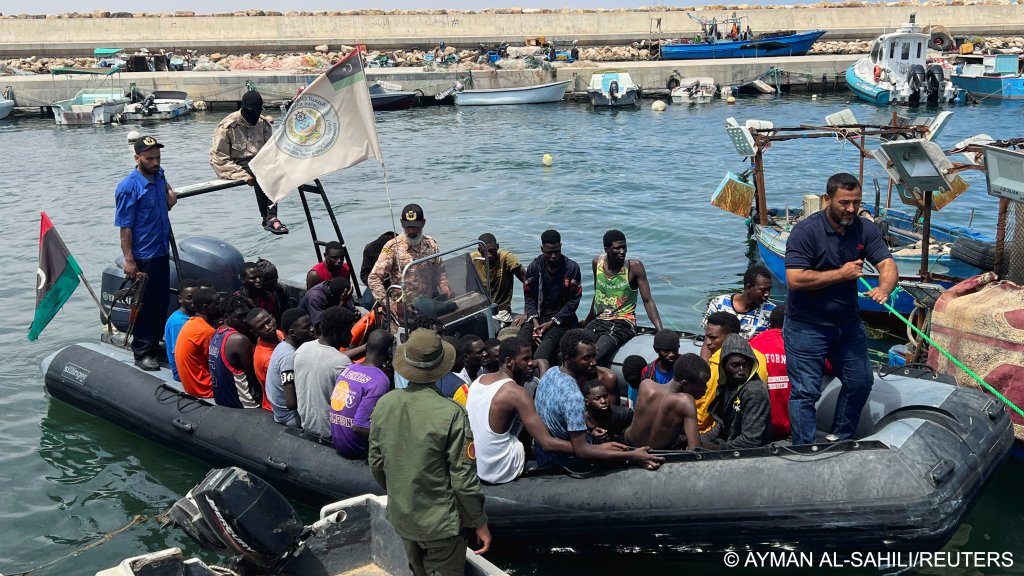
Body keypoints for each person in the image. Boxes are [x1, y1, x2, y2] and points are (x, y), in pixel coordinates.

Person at [368, 328, 491, 575]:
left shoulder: (385, 403)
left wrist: (404, 495)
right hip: (441, 525)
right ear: (442, 366)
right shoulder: (452, 413)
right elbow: (463, 481)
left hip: (403, 516)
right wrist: (479, 522)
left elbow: (377, 464)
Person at [785, 173, 896, 444]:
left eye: (856, 203)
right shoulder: (805, 231)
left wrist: (884, 288)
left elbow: (887, 264)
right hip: (806, 326)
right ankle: (804, 447)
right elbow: (795, 278)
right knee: (805, 392)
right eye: (844, 203)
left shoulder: (864, 228)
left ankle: (841, 436)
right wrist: (841, 274)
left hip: (847, 324)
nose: (851, 209)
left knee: (860, 382)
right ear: (827, 199)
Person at [533, 329, 663, 470]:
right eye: (586, 358)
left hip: (544, 455)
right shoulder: (573, 396)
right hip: (567, 463)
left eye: (594, 356)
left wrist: (589, 429)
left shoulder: (551, 373)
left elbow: (559, 417)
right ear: (568, 358)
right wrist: (631, 455)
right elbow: (582, 450)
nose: (594, 362)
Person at [464, 336, 572, 484]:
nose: (531, 363)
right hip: (501, 471)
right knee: (529, 413)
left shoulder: (479, 381)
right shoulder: (517, 393)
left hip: (479, 466)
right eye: (526, 359)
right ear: (508, 361)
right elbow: (547, 443)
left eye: (532, 358)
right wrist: (586, 448)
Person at [115, 135, 175, 371]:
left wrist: (171, 196)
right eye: (150, 159)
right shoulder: (129, 187)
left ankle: (154, 343)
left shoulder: (159, 175)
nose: (155, 162)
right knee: (145, 305)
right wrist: (129, 259)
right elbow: (125, 226)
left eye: (158, 158)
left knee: (161, 302)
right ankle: (142, 352)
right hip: (144, 255)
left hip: (161, 249)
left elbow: (167, 196)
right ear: (137, 158)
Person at [209, 90, 287, 234]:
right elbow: (218, 159)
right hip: (234, 162)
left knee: (273, 171)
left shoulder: (263, 124)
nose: (255, 115)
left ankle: (272, 216)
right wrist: (243, 176)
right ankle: (268, 217)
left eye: (258, 111)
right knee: (258, 173)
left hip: (257, 160)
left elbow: (270, 152)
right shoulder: (227, 127)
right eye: (252, 111)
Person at [583, 230, 664, 362]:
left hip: (622, 323)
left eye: (624, 247)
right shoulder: (597, 263)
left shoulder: (634, 267)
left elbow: (648, 301)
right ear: (606, 249)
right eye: (617, 248)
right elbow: (598, 295)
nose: (622, 251)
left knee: (593, 357)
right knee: (571, 349)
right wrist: (587, 321)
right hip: (599, 320)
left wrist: (660, 331)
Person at [367, 204, 452, 320]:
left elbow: (440, 271)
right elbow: (374, 278)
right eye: (407, 227)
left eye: (415, 227)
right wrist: (390, 304)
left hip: (428, 306)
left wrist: (445, 287)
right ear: (401, 223)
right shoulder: (392, 248)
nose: (411, 231)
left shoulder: (431, 245)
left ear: (423, 223)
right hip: (404, 313)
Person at [518, 230, 583, 369]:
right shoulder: (534, 267)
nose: (553, 256)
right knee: (518, 348)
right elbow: (529, 297)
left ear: (561, 246)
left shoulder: (572, 268)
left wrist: (551, 323)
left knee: (540, 355)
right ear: (542, 249)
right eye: (549, 252)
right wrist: (535, 323)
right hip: (539, 318)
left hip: (561, 321)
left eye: (557, 251)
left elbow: (573, 302)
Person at [696, 311, 767, 436]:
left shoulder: (718, 362)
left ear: (730, 337)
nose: (707, 342)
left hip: (727, 431)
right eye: (706, 337)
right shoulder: (759, 356)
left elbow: (704, 413)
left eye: (713, 338)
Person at [293, 306, 360, 440]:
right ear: (335, 334)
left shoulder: (302, 349)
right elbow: (350, 405)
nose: (351, 336)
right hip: (329, 432)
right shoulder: (342, 362)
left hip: (306, 426)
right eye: (347, 333)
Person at [330, 330, 394, 459]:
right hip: (356, 449)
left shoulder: (348, 370)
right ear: (389, 352)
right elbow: (359, 426)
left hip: (337, 442)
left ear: (367, 347)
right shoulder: (379, 380)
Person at [625, 354, 710, 450]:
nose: (705, 388)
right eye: (703, 384)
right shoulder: (686, 402)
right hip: (654, 454)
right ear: (684, 384)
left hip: (629, 444)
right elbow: (696, 449)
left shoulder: (646, 385)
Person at [703, 335, 772, 450]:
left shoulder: (754, 392)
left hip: (750, 453)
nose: (741, 371)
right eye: (735, 365)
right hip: (729, 442)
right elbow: (723, 425)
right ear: (724, 366)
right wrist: (698, 440)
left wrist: (717, 448)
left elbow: (751, 440)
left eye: (746, 365)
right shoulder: (728, 386)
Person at [209, 295, 262, 409]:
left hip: (222, 398)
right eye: (240, 317)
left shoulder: (217, 333)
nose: (245, 320)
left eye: (246, 315)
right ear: (227, 317)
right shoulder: (239, 340)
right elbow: (254, 376)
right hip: (244, 401)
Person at [265, 308, 316, 428]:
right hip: (290, 417)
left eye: (311, 324)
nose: (312, 329)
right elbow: (291, 403)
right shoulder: (288, 356)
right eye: (306, 327)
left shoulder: (284, 345)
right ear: (292, 333)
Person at [749, 305, 792, 440]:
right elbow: (829, 366)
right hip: (789, 427)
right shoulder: (798, 346)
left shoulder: (751, 344)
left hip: (754, 426)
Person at [701, 264, 776, 339]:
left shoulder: (771, 312)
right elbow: (708, 338)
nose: (767, 294)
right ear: (748, 287)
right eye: (763, 290)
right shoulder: (719, 303)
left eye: (769, 289)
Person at [175, 287, 221, 398]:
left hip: (190, 387)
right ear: (206, 308)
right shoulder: (206, 331)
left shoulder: (190, 323)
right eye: (217, 304)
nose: (220, 307)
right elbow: (218, 365)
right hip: (205, 389)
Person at [472, 233, 525, 325]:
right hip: (480, 309)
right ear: (479, 250)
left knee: (491, 326)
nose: (488, 255)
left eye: (492, 251)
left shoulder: (506, 258)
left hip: (500, 310)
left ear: (497, 247)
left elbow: (528, 281)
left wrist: (526, 312)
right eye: (484, 252)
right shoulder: (473, 260)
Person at [249, 307, 282, 412]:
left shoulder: (278, 334)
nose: (268, 328)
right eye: (261, 327)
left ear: (273, 318)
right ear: (254, 333)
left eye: (268, 322)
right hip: (277, 407)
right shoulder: (267, 358)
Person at [164, 278, 198, 382]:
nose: (194, 301)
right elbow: (179, 354)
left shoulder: (193, 316)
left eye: (196, 298)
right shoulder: (179, 322)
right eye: (189, 298)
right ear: (180, 299)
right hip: (183, 372)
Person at [359, 231, 397, 308]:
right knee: (368, 302)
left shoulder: (403, 247)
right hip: (377, 283)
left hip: (399, 283)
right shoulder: (369, 249)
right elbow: (364, 273)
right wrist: (376, 284)